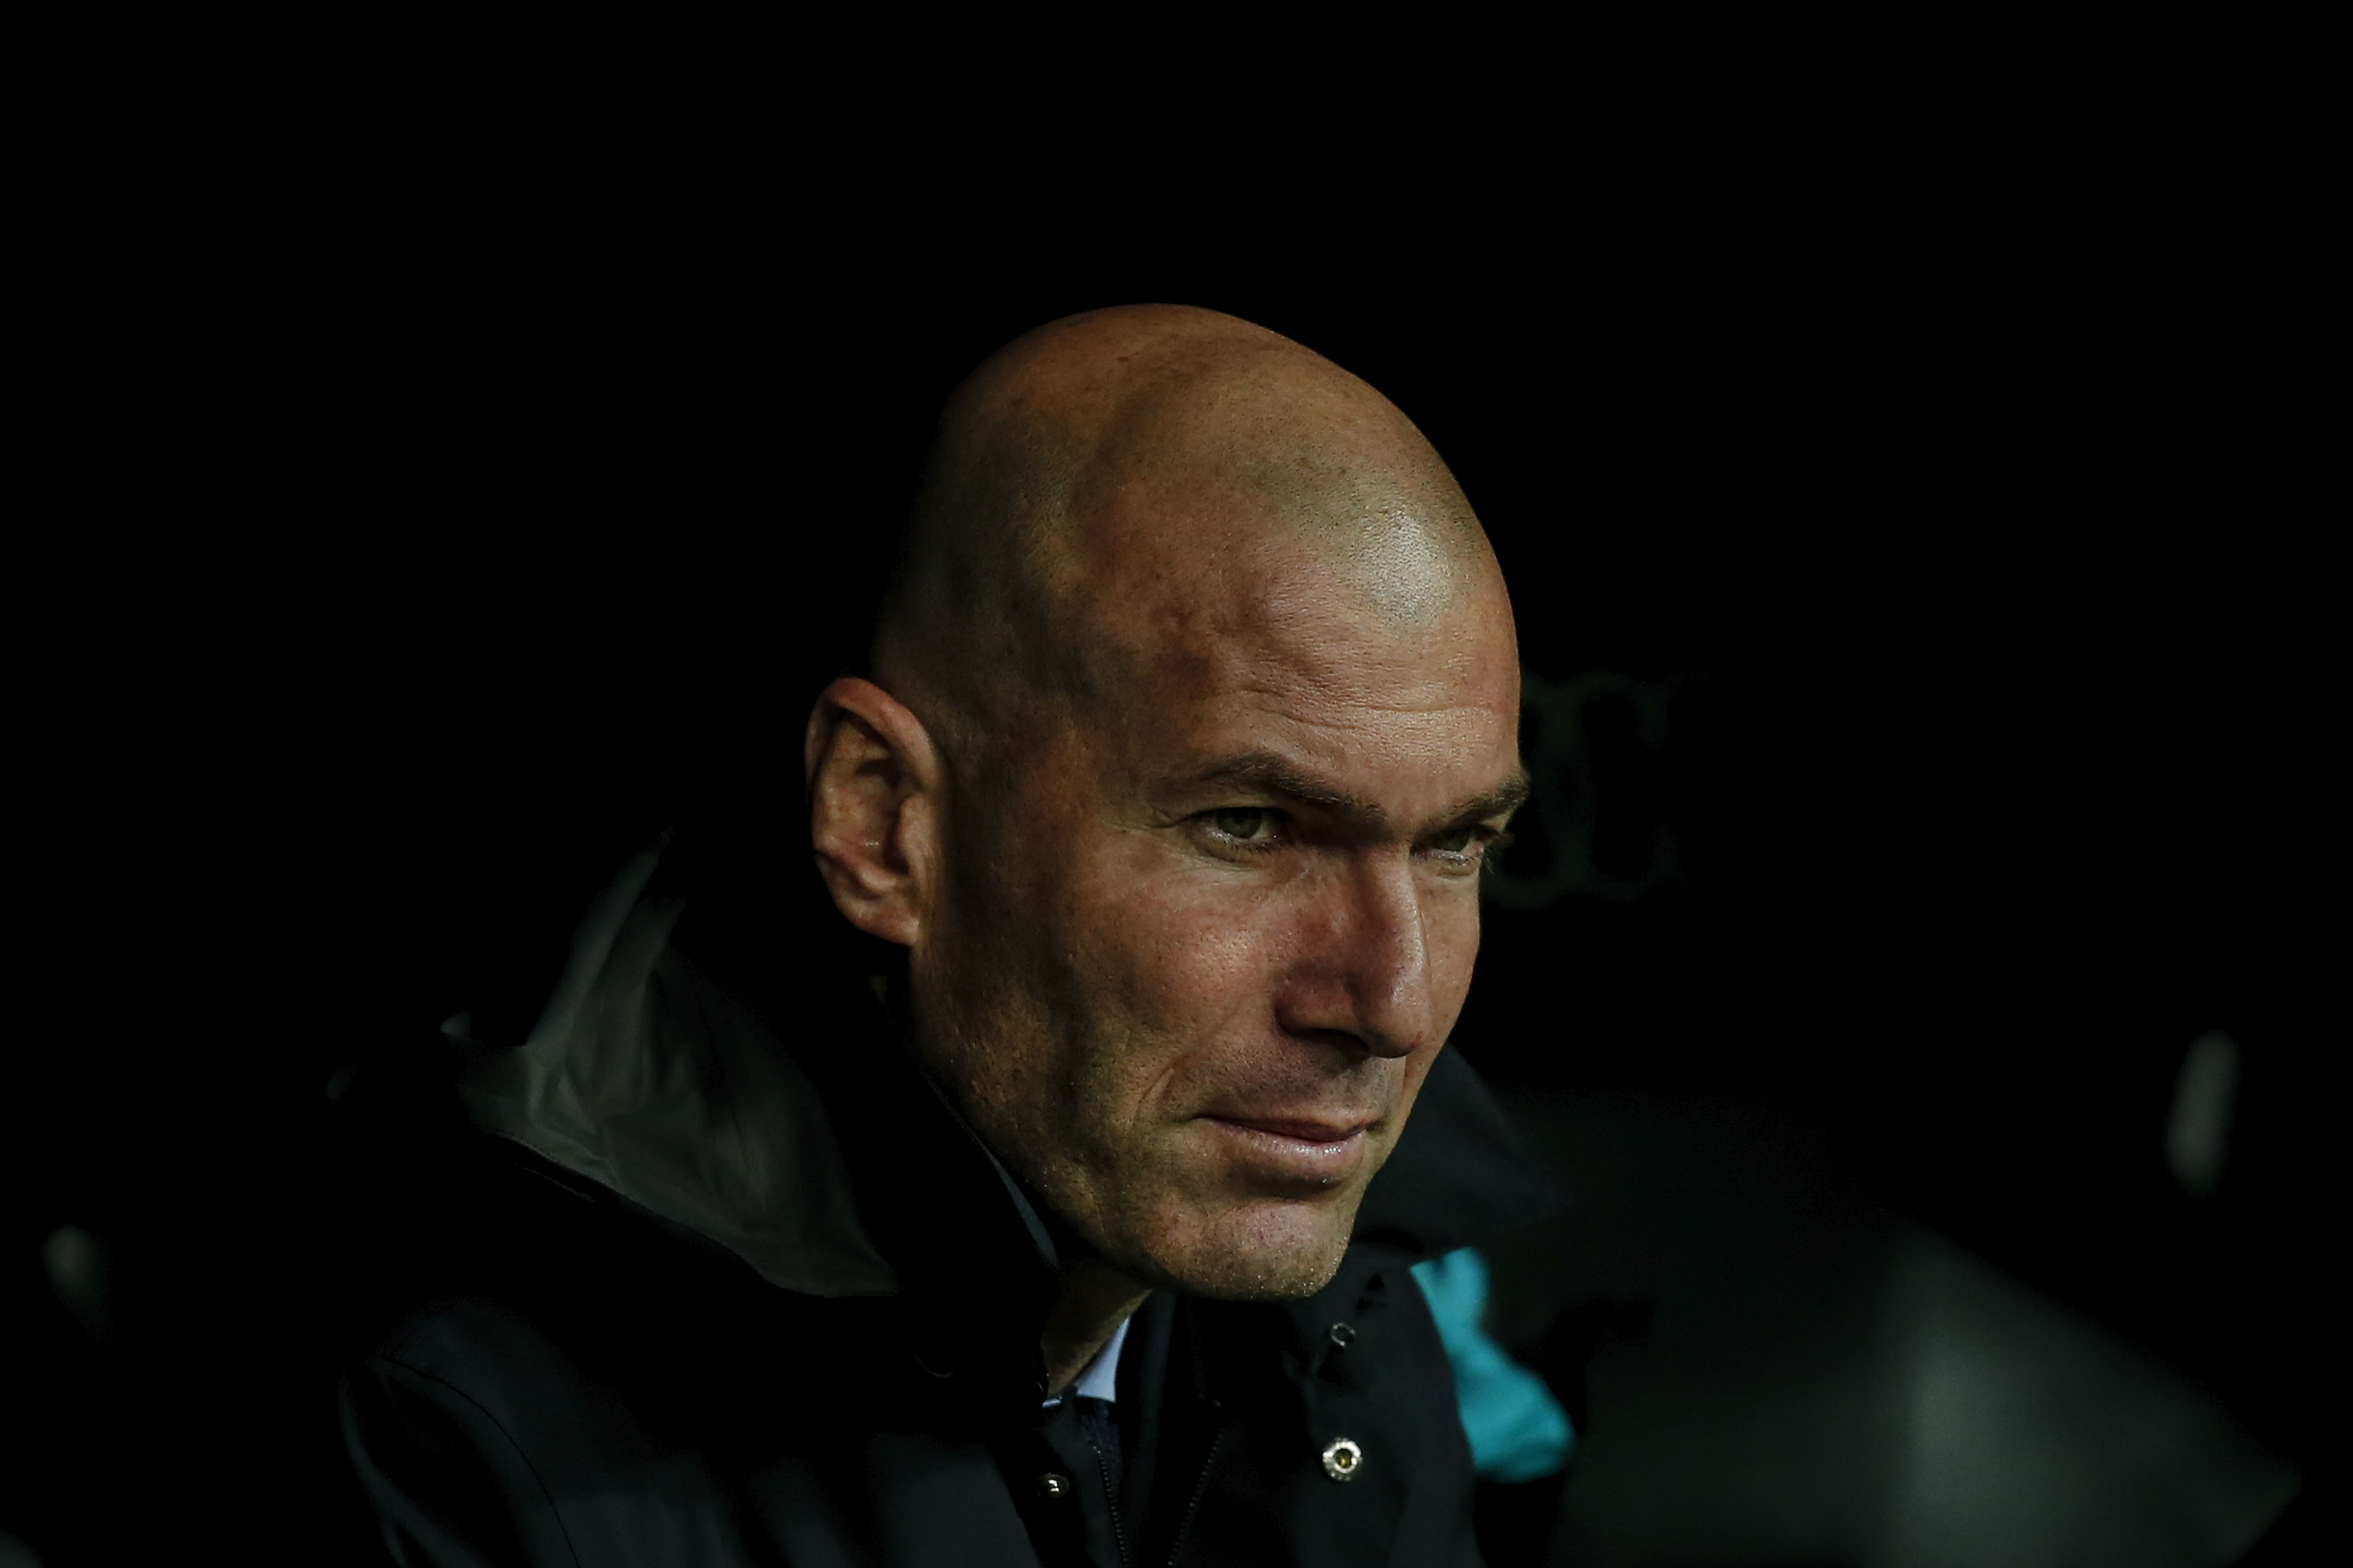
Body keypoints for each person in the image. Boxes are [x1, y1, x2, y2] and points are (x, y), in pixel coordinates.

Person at [334, 304, 1559, 1566]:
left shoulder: (1350, 1323)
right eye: (1245, 826)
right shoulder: (448, 1424)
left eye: (1452, 844)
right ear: (881, 823)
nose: (1391, 1001)